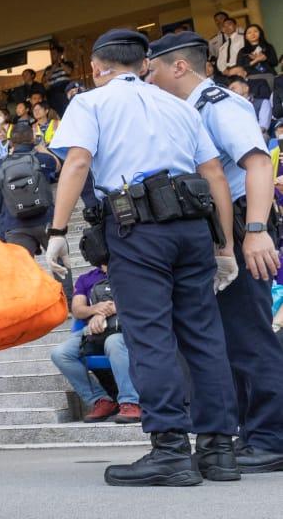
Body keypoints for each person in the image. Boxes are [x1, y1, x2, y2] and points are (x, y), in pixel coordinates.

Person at [46, 28, 238, 488]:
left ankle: (170, 450)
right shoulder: (178, 105)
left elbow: (76, 162)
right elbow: (212, 173)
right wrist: (226, 246)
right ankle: (219, 450)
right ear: (144, 63)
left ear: (96, 68)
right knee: (204, 337)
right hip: (193, 227)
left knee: (150, 337)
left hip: (137, 229)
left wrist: (57, 232)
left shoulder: (91, 103)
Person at [146, 31, 283, 474]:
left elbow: (258, 162)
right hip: (220, 230)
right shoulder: (186, 110)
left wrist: (257, 231)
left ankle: (272, 437)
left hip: (244, 224)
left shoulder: (218, 105)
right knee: (225, 340)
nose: (148, 76)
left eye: (153, 69)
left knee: (249, 337)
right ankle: (253, 432)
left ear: (180, 67)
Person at [50, 265, 141, 423]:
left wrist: (111, 310)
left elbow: (142, 299)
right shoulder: (86, 278)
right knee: (60, 353)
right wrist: (96, 310)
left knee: (113, 342)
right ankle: (101, 400)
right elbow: (77, 310)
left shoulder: (131, 270)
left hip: (124, 327)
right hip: (92, 330)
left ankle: (130, 401)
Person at [0, 124, 59, 256]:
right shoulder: (44, 159)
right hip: (45, 221)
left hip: (15, 224)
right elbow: (57, 167)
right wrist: (42, 148)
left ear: (11, 142)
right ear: (32, 139)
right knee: (60, 267)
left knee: (22, 272)